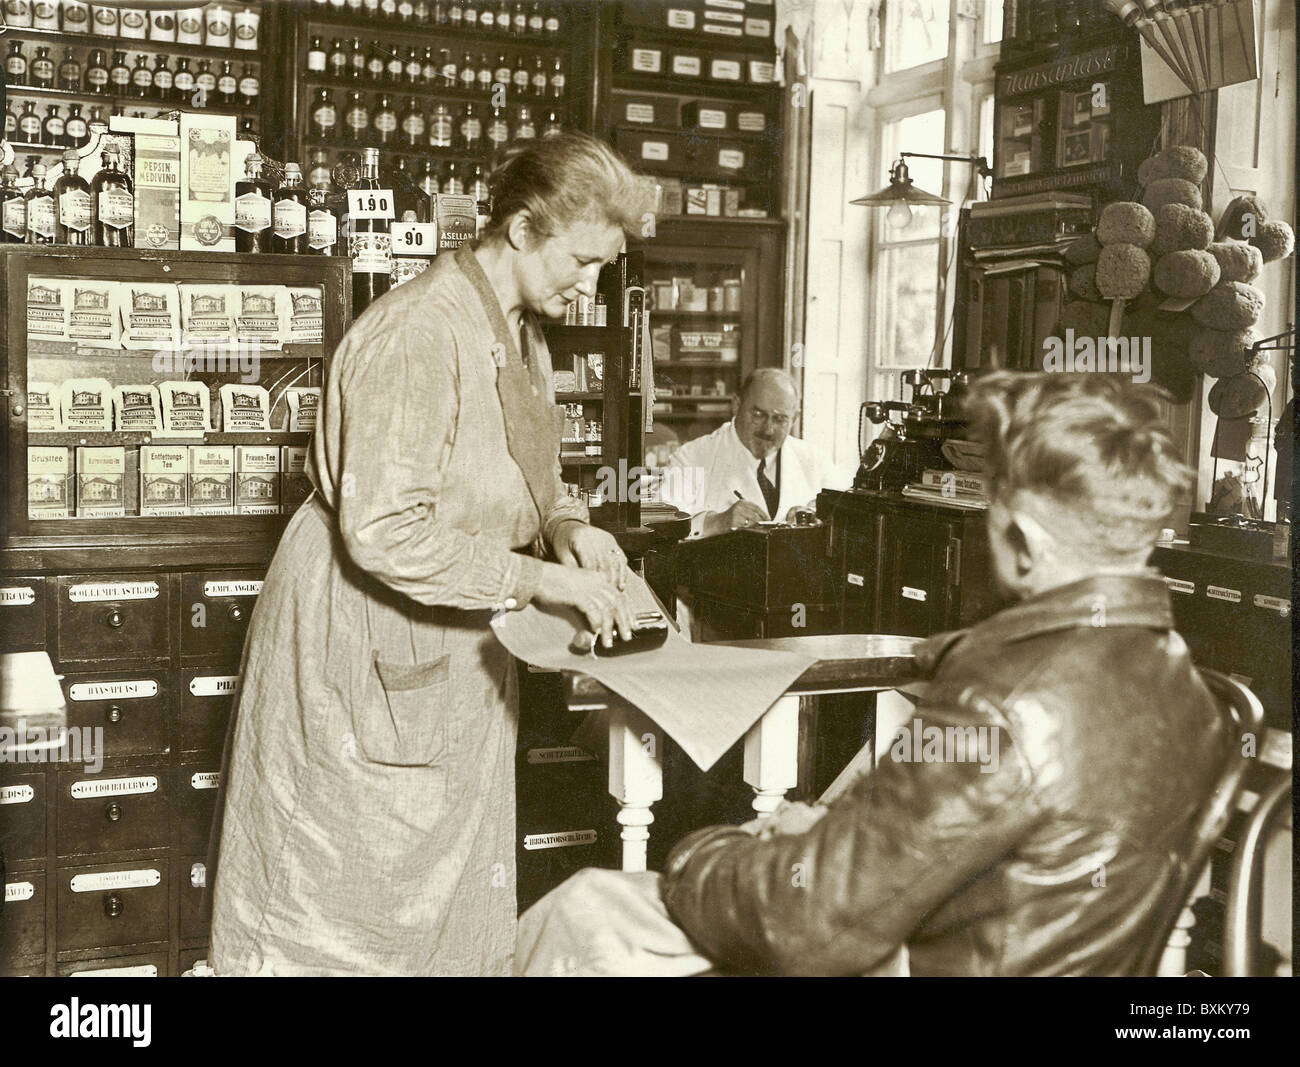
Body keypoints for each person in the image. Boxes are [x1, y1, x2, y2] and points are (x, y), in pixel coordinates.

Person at [516, 371, 1235, 976]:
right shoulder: (1196, 701)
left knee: (587, 906)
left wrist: (706, 849)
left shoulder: (1002, 703)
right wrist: (834, 832)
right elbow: (1005, 856)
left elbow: (812, 922)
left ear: (1023, 535)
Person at [209, 134, 652, 976]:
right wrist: (539, 578)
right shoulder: (416, 333)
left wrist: (569, 527)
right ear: (522, 230)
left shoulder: (521, 332)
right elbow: (384, 531)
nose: (592, 286)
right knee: (338, 907)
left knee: (439, 908)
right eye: (584, 261)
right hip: (361, 641)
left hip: (448, 647)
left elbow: (533, 471)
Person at [660, 368, 845, 537]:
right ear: (736, 405)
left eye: (780, 419)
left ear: (794, 419)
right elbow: (663, 527)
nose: (769, 429)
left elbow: (845, 515)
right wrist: (715, 522)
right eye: (758, 415)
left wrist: (819, 519)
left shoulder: (815, 461)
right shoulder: (690, 458)